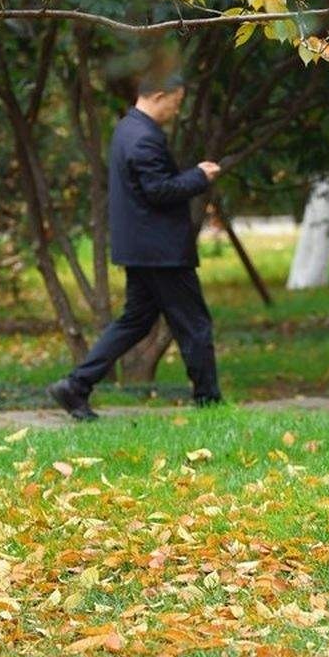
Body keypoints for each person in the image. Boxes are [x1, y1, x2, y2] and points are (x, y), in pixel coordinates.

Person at [49, 73, 223, 420]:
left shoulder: (128, 129)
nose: (177, 110)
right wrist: (199, 177)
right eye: (176, 101)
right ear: (159, 95)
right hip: (161, 252)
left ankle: (76, 386)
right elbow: (158, 190)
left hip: (143, 248)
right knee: (194, 324)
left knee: (135, 322)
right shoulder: (143, 138)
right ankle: (209, 403)